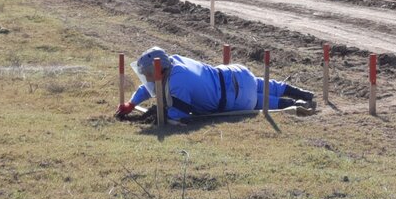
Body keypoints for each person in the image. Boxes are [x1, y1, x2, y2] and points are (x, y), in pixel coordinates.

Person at [115, 47, 316, 121]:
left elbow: (180, 114)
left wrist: (156, 115)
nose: (145, 77)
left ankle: (296, 105)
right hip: (236, 74)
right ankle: (303, 94)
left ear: (158, 70)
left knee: (264, 102)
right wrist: (132, 104)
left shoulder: (178, 83)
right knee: (267, 86)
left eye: (147, 73)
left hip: (235, 99)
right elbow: (150, 88)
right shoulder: (175, 61)